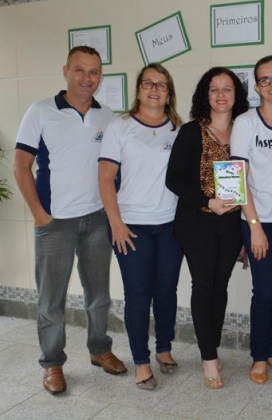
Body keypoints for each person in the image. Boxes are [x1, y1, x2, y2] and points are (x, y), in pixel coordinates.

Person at [13, 46, 127, 395]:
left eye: (94, 72)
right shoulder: (42, 111)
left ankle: (99, 349)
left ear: (100, 76)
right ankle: (52, 364)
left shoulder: (106, 116)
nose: (86, 78)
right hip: (55, 223)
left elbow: (114, 170)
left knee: (99, 295)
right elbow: (21, 166)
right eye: (80, 70)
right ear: (66, 70)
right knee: (51, 299)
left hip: (96, 219)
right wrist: (39, 215)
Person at [98, 63, 183, 390]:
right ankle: (141, 361)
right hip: (131, 226)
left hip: (171, 226)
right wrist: (116, 224)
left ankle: (164, 348)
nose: (154, 89)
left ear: (168, 93)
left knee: (166, 291)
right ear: (138, 89)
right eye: (148, 83)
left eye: (161, 85)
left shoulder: (179, 129)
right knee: (138, 295)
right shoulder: (119, 127)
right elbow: (105, 179)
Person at [166, 67, 249, 389]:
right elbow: (174, 180)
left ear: (236, 96)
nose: (221, 95)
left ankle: (210, 346)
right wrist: (207, 200)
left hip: (231, 223)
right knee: (203, 287)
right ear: (206, 95)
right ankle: (208, 358)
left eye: (228, 89)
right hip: (197, 221)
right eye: (214, 89)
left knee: (221, 286)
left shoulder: (244, 130)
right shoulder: (190, 132)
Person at [230, 55, 272, 384]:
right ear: (257, 87)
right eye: (265, 80)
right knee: (265, 290)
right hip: (255, 220)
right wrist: (255, 228)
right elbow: (237, 180)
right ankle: (258, 356)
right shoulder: (245, 123)